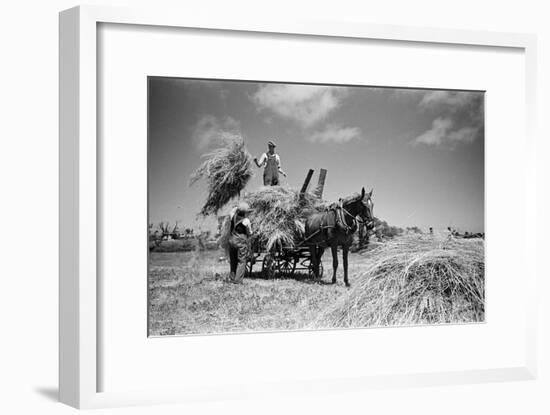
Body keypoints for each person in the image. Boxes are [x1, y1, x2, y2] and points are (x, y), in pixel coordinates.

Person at [227, 202, 252, 284]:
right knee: (241, 261)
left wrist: (237, 207)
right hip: (240, 242)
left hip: (231, 241)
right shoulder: (246, 220)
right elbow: (249, 233)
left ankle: (232, 278)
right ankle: (238, 281)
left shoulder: (232, 216)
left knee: (233, 260)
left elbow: (232, 211)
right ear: (245, 212)